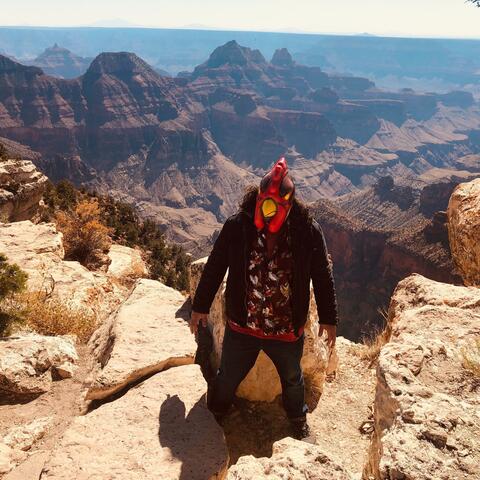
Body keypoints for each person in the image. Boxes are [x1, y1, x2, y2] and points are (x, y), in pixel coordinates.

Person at [190, 157, 338, 440]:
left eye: (274, 206)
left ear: (289, 205)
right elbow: (216, 265)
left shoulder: (306, 231)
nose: (268, 213)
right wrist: (200, 306)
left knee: (293, 379)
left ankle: (297, 417)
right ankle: (217, 412)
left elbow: (321, 275)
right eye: (264, 204)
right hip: (242, 325)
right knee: (227, 377)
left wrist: (329, 318)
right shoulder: (238, 226)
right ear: (257, 199)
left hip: (285, 330)